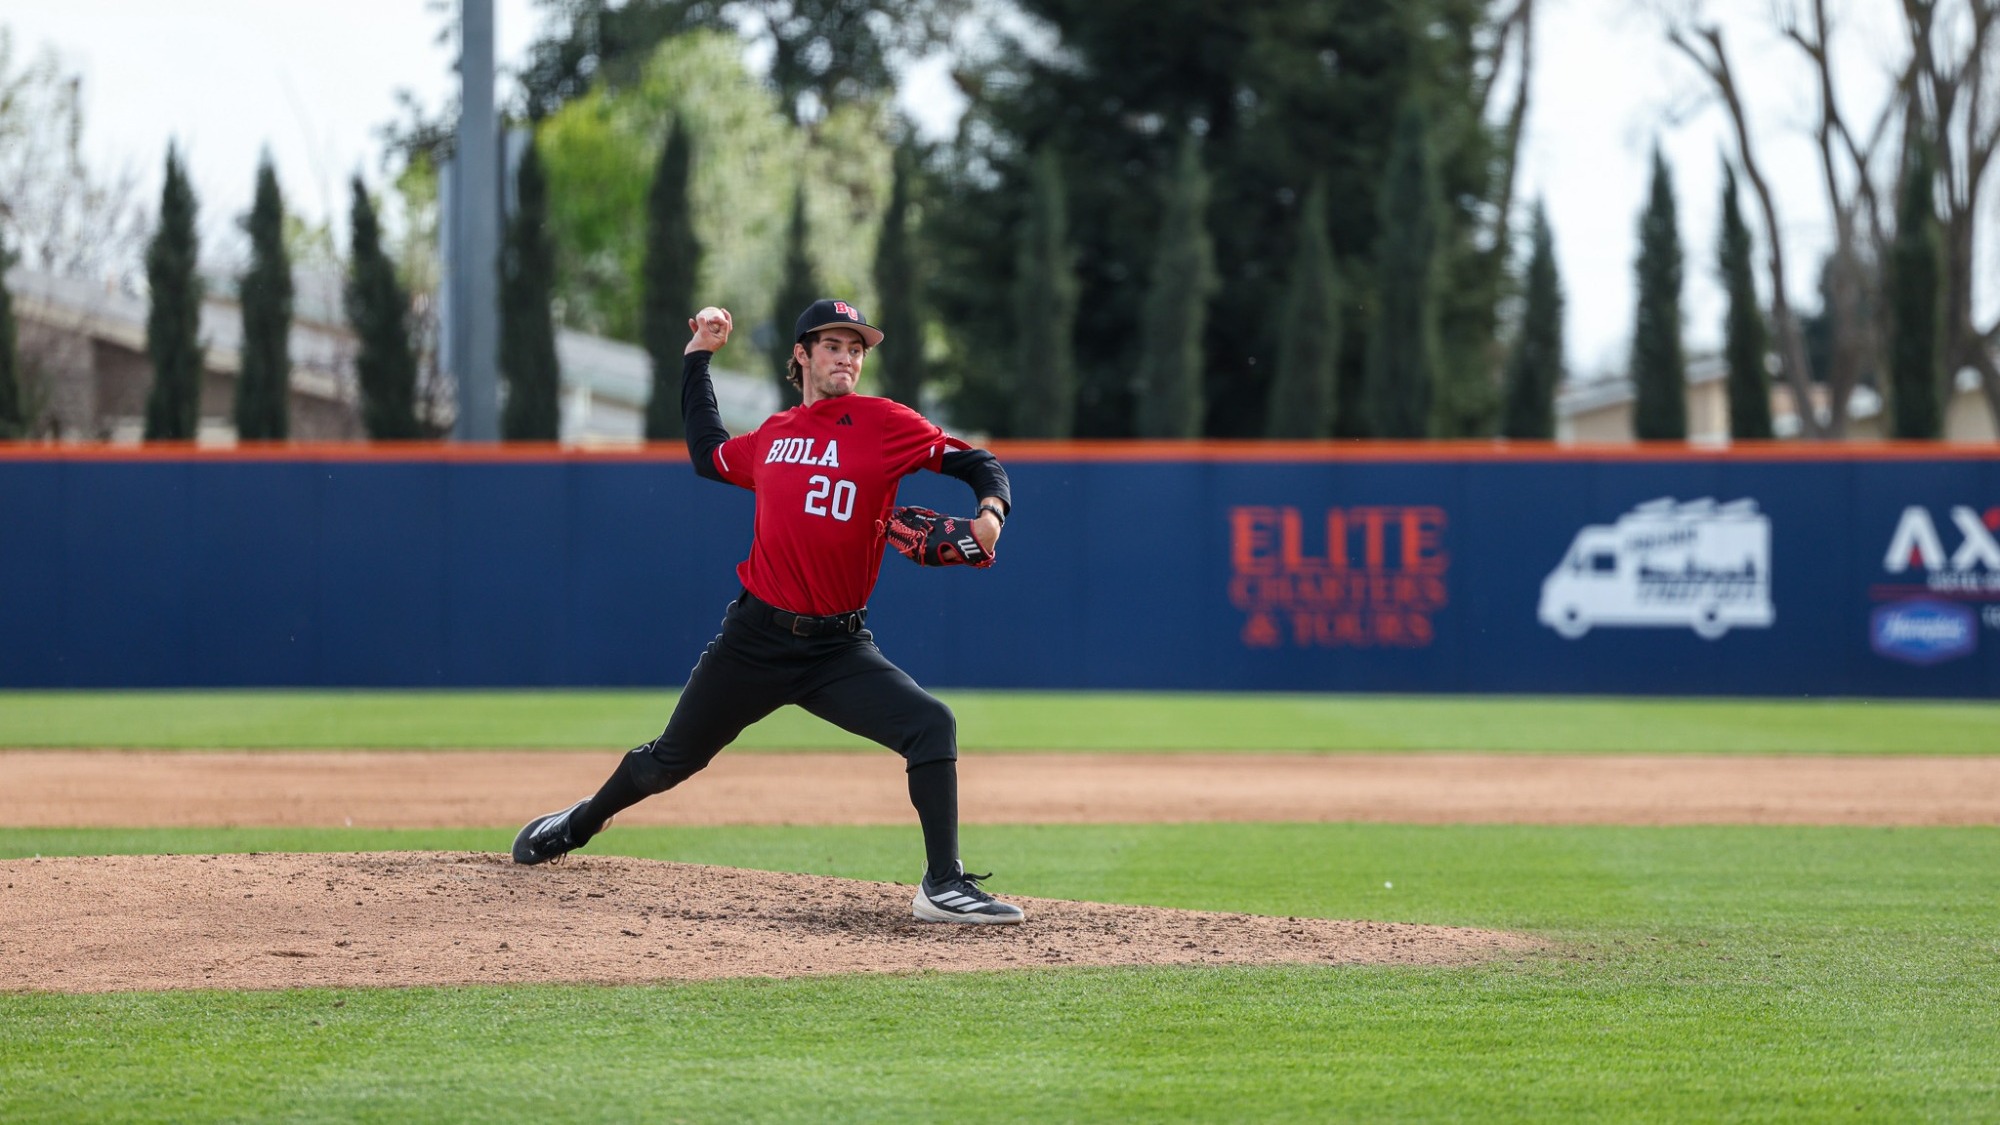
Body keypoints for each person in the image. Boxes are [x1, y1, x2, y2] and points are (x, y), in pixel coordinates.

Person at [512, 298, 1024, 925]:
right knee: (669, 762)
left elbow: (977, 462)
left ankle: (942, 884)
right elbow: (708, 453)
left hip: (837, 649)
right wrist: (697, 358)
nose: (848, 357)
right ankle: (580, 822)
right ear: (802, 356)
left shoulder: (884, 423)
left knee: (931, 725)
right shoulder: (775, 436)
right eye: (834, 345)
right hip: (754, 640)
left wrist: (991, 515)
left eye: (857, 348)